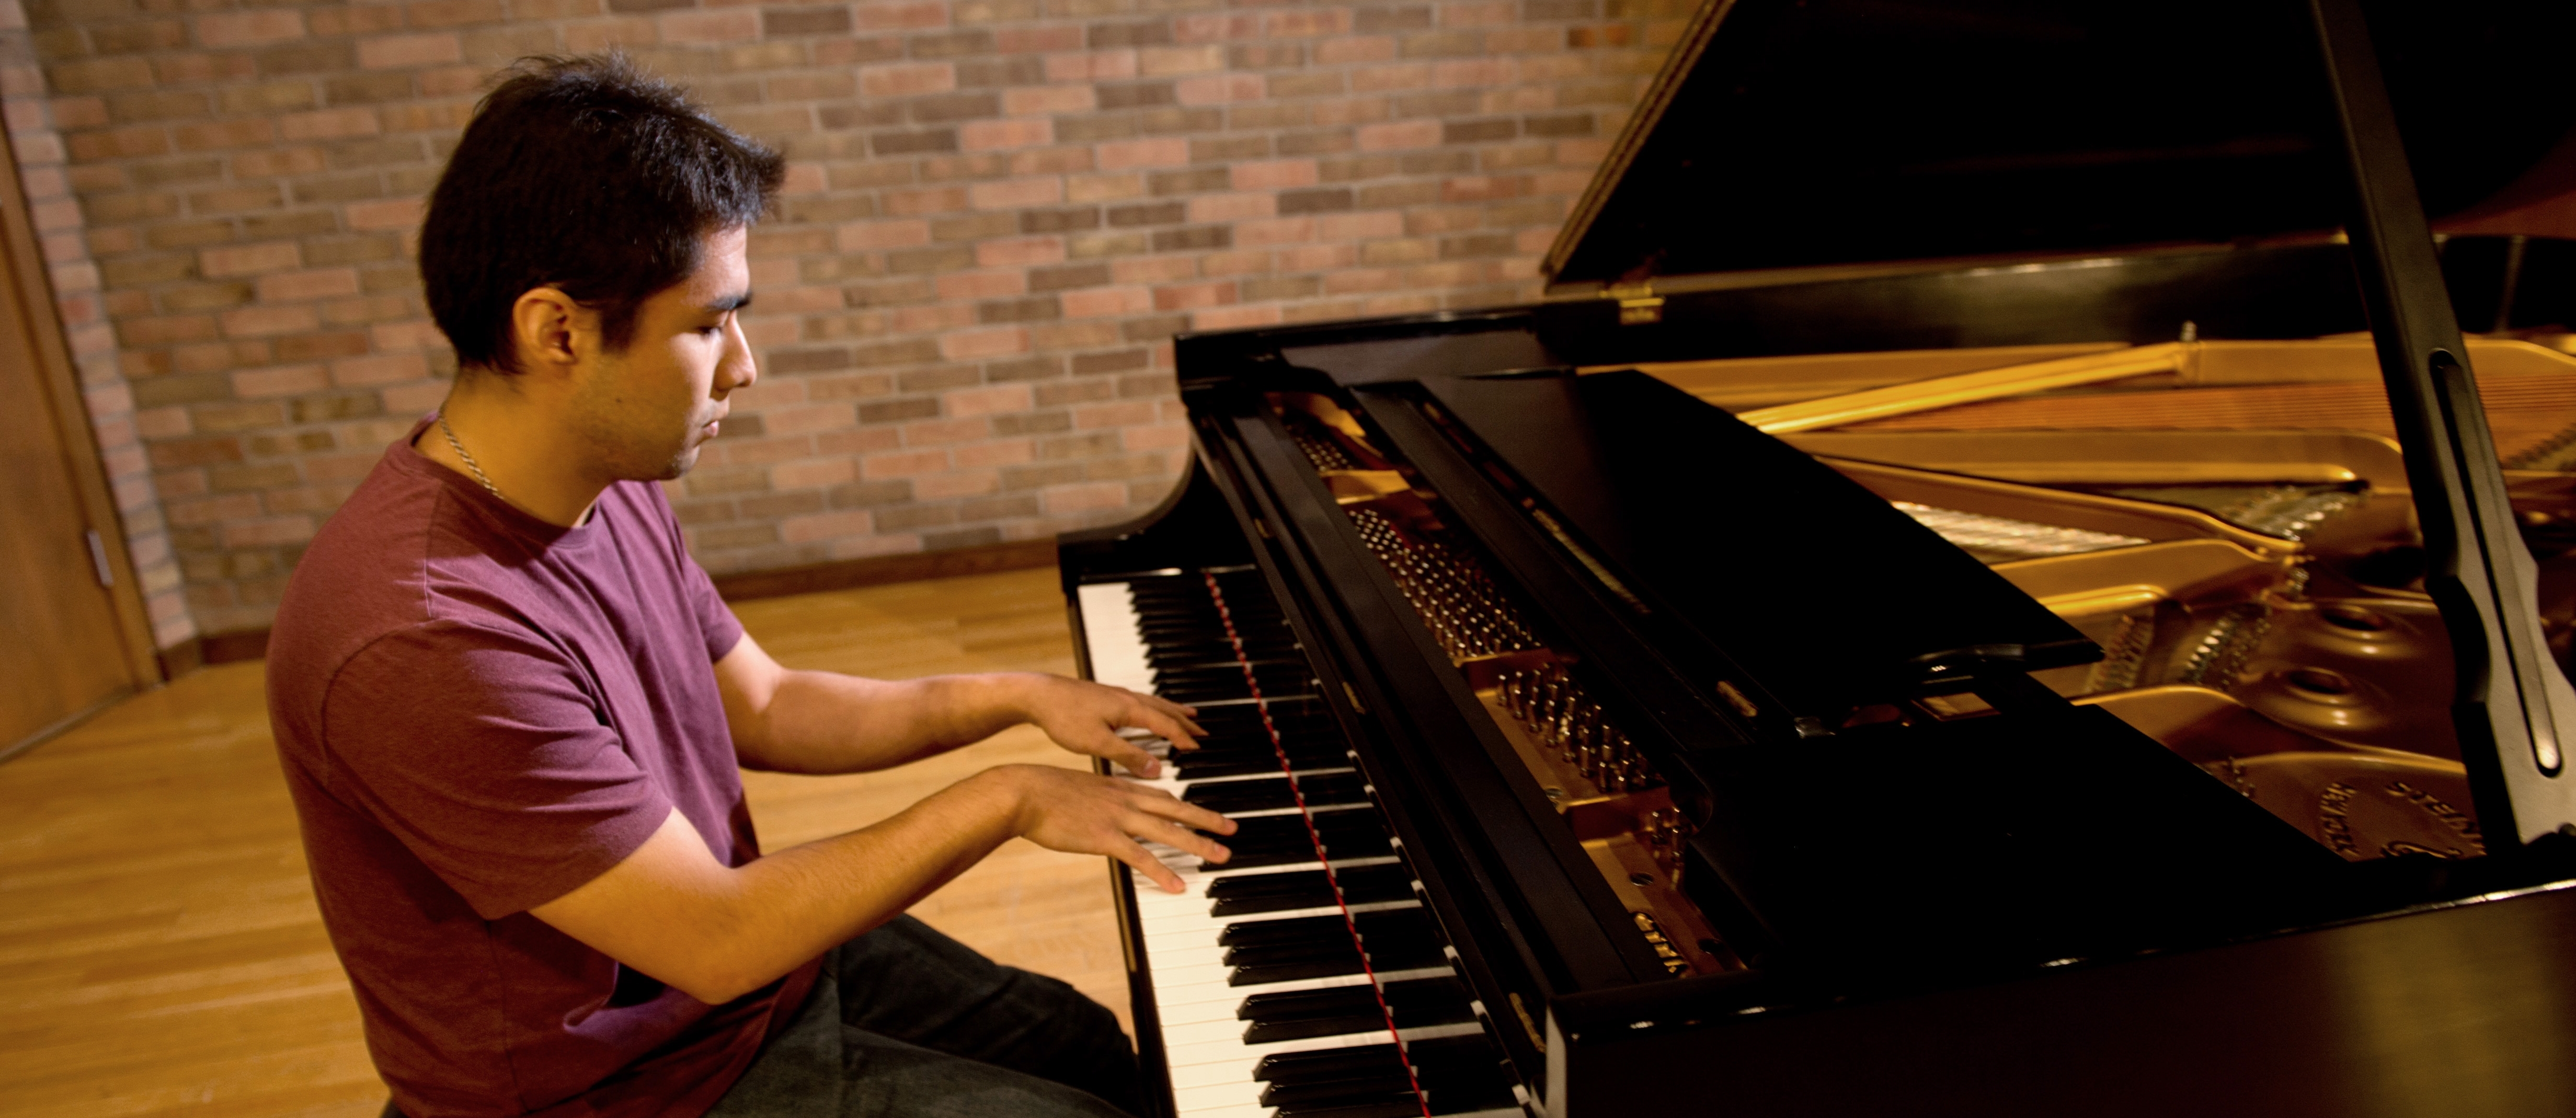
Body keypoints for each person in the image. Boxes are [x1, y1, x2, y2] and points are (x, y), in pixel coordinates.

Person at [265, 53, 1235, 1118]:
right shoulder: (422, 632)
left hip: (723, 989)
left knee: (1088, 1045)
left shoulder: (599, 483)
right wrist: (1004, 795)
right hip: (613, 1086)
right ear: (557, 331)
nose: (743, 365)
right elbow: (717, 935)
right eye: (704, 323)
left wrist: (1016, 695)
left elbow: (765, 704)